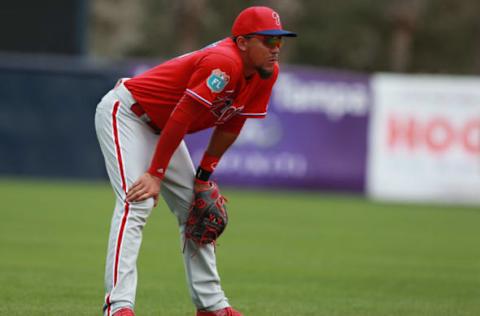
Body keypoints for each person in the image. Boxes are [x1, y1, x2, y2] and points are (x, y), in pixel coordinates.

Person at [94, 5, 296, 316]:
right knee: (137, 201)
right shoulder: (223, 63)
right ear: (243, 42)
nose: (276, 49)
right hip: (128, 114)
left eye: (279, 41)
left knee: (197, 210)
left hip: (163, 127)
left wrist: (204, 176)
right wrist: (155, 174)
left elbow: (232, 123)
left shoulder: (266, 72)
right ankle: (118, 307)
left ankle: (211, 306)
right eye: (268, 41)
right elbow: (182, 115)